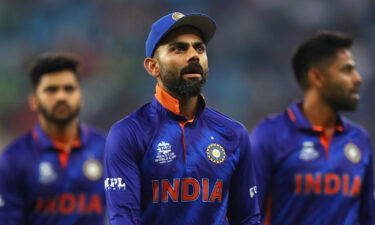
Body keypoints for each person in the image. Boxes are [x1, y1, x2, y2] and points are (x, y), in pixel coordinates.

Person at [104, 12, 260, 225]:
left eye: (199, 48)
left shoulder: (233, 133)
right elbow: (124, 219)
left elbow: (247, 218)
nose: (194, 55)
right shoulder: (129, 133)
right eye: (179, 48)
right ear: (152, 66)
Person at [251, 31, 375, 225]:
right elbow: (247, 213)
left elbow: (368, 216)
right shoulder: (270, 135)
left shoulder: (359, 139)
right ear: (317, 77)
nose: (357, 78)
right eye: (346, 70)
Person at [0, 53, 106, 225]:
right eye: (51, 90)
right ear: (34, 101)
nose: (61, 97)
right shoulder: (13, 159)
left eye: (69, 89)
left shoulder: (106, 149)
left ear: (81, 98)